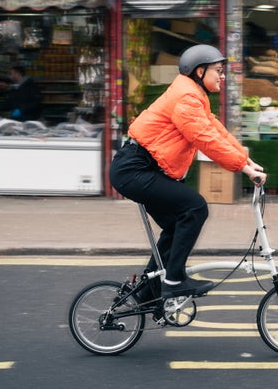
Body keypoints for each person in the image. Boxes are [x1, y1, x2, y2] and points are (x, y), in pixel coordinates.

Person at [109, 44, 266, 300]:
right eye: (218, 70)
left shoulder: (194, 95)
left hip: (142, 168)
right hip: (134, 169)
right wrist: (243, 168)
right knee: (195, 207)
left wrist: (247, 160)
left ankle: (148, 291)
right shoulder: (187, 99)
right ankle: (173, 280)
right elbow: (206, 140)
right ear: (200, 71)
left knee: (176, 224)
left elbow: (216, 131)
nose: (222, 76)